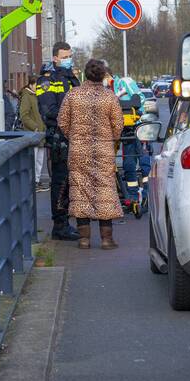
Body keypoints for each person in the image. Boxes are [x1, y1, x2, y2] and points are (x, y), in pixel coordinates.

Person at [58, 58, 125, 250]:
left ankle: (84, 239)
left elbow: (62, 121)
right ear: (103, 75)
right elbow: (118, 125)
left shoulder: (73, 95)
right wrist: (111, 138)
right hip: (103, 149)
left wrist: (74, 136)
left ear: (85, 74)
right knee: (105, 190)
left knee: (80, 190)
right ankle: (106, 239)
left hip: (79, 150)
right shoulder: (110, 97)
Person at [37, 41, 81, 241]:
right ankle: (60, 225)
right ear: (55, 58)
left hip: (75, 136)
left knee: (72, 182)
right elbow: (48, 111)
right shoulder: (47, 80)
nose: (68, 59)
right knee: (60, 181)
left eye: (69, 56)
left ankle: (67, 221)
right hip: (59, 138)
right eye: (64, 57)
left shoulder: (72, 78)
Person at [19, 75, 48, 190]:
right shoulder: (27, 96)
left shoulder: (37, 95)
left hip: (40, 134)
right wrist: (35, 127)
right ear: (31, 85)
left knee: (39, 159)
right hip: (34, 133)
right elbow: (24, 115)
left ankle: (37, 181)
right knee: (34, 160)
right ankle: (33, 182)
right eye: (37, 85)